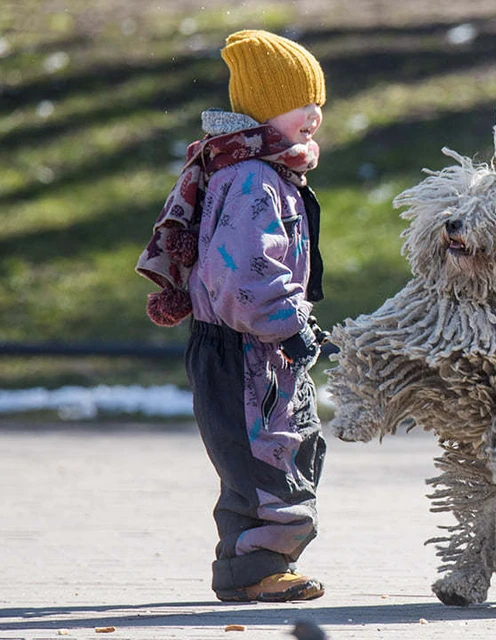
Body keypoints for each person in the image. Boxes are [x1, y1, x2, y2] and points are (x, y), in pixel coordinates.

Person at [136, 29, 329, 602]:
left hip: (256, 342)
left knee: (284, 447)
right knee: (267, 457)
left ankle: (250, 561)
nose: (315, 113)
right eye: (302, 101)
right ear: (266, 108)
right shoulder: (252, 179)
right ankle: (253, 569)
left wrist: (294, 323)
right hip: (245, 346)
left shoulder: (264, 169)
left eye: (319, 100)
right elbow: (242, 270)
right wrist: (286, 321)